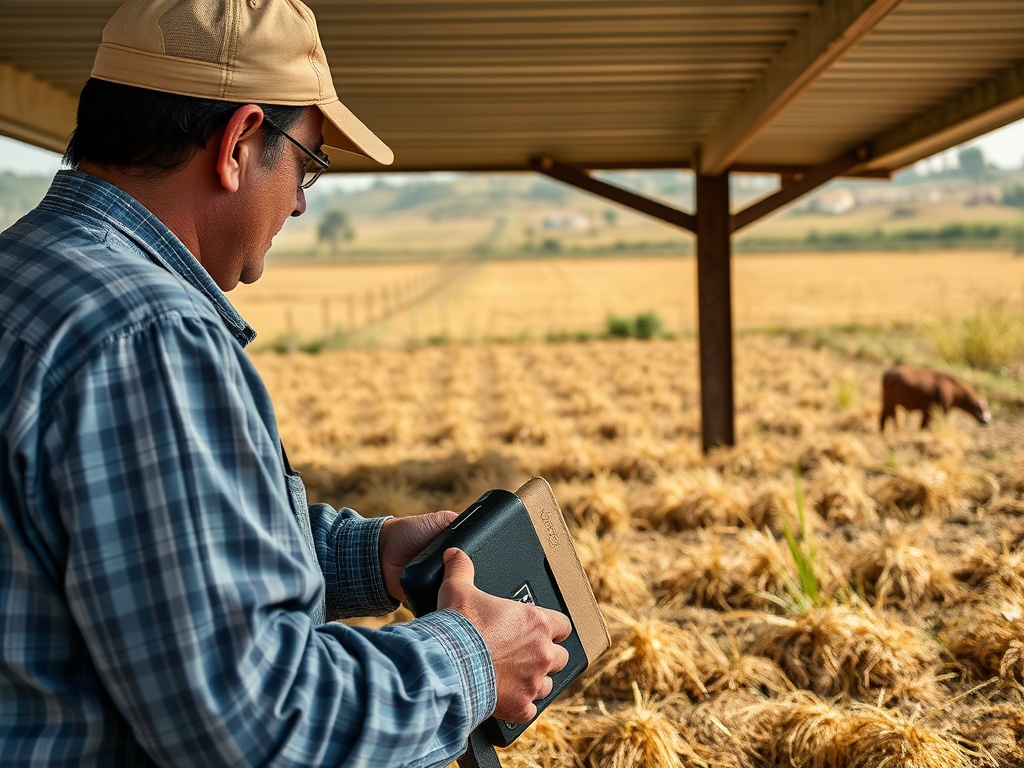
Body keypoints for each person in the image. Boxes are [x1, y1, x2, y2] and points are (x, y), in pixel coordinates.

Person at [0, 1, 571, 766]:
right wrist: (470, 663)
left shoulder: (26, 276)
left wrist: (370, 557)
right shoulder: (151, 337)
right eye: (307, 162)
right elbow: (252, 725)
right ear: (238, 143)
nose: (301, 200)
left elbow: (132, 554)